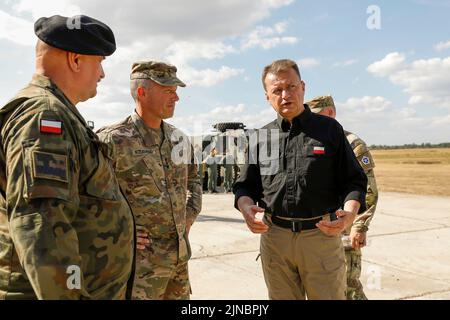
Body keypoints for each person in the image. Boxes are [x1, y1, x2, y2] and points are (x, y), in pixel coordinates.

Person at [0, 15, 135, 300]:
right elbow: (43, 228)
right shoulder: (44, 116)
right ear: (75, 60)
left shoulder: (60, 113)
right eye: (99, 61)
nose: (102, 74)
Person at [233, 59, 368, 300]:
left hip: (320, 236)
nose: (285, 95)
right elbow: (245, 186)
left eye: (291, 87)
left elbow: (354, 181)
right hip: (275, 238)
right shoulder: (260, 137)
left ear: (302, 87)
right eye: (277, 90)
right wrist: (246, 210)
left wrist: (349, 215)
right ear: (267, 96)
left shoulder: (329, 131)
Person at [97, 61, 202, 300]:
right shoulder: (112, 140)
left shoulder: (179, 139)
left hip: (178, 262)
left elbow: (194, 180)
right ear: (142, 93)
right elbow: (90, 200)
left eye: (176, 91)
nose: (176, 97)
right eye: (168, 90)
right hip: (137, 268)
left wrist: (188, 216)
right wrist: (120, 232)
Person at [307, 95, 378, 300]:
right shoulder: (312, 141)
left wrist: (360, 226)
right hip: (318, 231)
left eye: (317, 116)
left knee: (349, 288)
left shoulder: (352, 143)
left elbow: (369, 190)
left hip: (345, 231)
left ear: (330, 113)